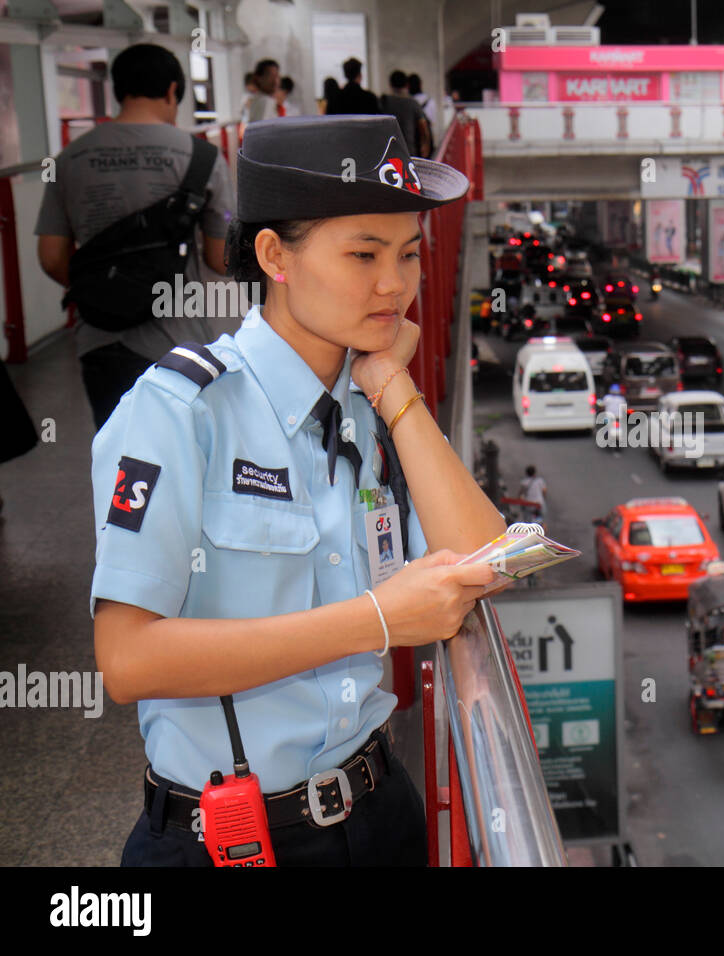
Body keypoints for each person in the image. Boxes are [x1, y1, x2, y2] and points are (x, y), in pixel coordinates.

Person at [90, 114, 503, 866]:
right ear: (275, 255)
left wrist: (396, 389)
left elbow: (484, 558)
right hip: (234, 841)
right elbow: (129, 660)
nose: (396, 285)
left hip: (383, 813)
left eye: (410, 254)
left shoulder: (370, 404)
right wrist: (377, 618)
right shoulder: (181, 410)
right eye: (364, 253)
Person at [35, 42, 236, 429]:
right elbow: (219, 258)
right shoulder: (203, 158)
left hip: (100, 340)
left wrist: (108, 289)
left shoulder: (69, 158)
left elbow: (51, 256)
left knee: (118, 459)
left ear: (117, 89)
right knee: (187, 460)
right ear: (172, 91)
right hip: (180, 340)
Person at [381, 70, 432, 157]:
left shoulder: (384, 102)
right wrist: (425, 150)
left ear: (390, 84)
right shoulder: (412, 103)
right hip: (408, 152)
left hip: (387, 152)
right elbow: (424, 128)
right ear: (407, 85)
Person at [242, 59, 279, 124]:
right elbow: (264, 131)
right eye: (270, 76)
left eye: (276, 76)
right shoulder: (266, 101)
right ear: (259, 78)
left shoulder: (255, 99)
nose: (275, 81)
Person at [408, 73, 438, 138]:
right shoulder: (431, 101)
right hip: (427, 137)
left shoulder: (407, 102)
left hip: (412, 139)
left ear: (408, 86)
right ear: (420, 84)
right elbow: (432, 122)